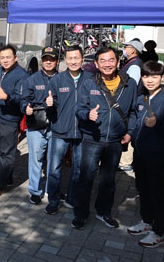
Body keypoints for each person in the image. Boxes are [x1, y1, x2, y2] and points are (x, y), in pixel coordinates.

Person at [72, 46, 138, 230]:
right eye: (103, 60)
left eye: (111, 60)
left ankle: (103, 212)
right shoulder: (89, 83)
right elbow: (79, 109)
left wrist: (130, 132)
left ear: (118, 62)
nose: (107, 64)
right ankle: (81, 214)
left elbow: (133, 111)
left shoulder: (130, 84)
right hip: (92, 139)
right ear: (96, 63)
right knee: (86, 179)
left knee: (108, 181)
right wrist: (87, 115)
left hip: (115, 141)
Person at [127, 61, 164, 248]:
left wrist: (157, 123)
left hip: (159, 156)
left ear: (162, 77)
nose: (149, 80)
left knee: (158, 193)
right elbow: (135, 120)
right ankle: (146, 222)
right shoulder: (141, 98)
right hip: (140, 154)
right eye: (146, 76)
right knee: (143, 189)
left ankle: (158, 232)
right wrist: (130, 134)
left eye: (154, 76)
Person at [45, 45, 86, 215]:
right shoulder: (57, 80)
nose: (73, 61)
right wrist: (49, 105)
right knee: (54, 168)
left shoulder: (90, 79)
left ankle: (72, 198)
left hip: (82, 131)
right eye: (70, 58)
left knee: (78, 168)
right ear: (65, 60)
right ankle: (54, 200)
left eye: (76, 58)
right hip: (60, 130)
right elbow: (51, 104)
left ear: (82, 59)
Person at [20, 47, 59, 205]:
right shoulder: (32, 79)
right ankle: (35, 191)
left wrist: (54, 102)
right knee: (35, 160)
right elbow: (24, 100)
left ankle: (51, 190)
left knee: (54, 161)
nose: (48, 62)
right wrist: (26, 108)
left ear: (57, 61)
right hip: (36, 125)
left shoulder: (62, 79)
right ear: (42, 60)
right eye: (45, 59)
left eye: (51, 59)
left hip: (56, 125)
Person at [0, 44, 28, 198]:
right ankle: (7, 177)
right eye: (2, 58)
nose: (5, 60)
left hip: (10, 120)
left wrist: (7, 97)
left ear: (15, 58)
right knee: (0, 151)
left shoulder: (22, 75)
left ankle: (0, 184)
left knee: (8, 153)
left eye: (8, 57)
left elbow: (22, 98)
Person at [119, 39, 144, 172]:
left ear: (133, 50)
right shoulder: (131, 62)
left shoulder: (135, 65)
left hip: (132, 101)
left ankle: (126, 163)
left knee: (128, 128)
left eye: (126, 47)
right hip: (131, 100)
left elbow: (131, 85)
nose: (125, 49)